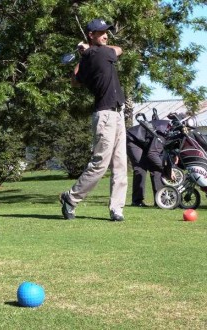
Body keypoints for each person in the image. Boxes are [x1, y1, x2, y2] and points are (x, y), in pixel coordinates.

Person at [59, 18, 127, 221]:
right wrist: (87, 52)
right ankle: (71, 198)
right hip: (106, 115)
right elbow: (120, 49)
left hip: (117, 113)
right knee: (99, 164)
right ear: (91, 35)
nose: (106, 35)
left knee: (120, 164)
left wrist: (83, 56)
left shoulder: (92, 56)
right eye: (101, 32)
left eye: (107, 32)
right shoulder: (102, 53)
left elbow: (75, 80)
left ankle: (117, 209)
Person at [126, 119, 169, 206]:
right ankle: (137, 201)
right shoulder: (163, 131)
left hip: (146, 142)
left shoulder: (170, 133)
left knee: (156, 169)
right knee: (141, 168)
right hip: (134, 139)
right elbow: (152, 154)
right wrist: (167, 170)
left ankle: (160, 201)